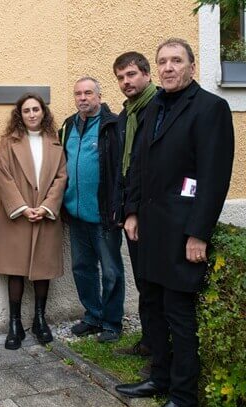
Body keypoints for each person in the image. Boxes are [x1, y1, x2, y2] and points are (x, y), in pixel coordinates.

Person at [115, 38, 234, 407]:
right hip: (148, 231)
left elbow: (214, 177)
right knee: (151, 307)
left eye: (176, 61)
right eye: (163, 61)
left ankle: (183, 401)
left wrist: (198, 232)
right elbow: (138, 168)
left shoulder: (211, 108)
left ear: (192, 66)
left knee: (179, 316)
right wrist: (130, 212)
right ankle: (159, 378)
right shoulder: (153, 108)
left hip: (182, 234)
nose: (168, 68)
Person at [0, 93, 67, 349]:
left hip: (45, 215)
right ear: (20, 115)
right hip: (17, 216)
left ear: (43, 112)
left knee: (42, 269)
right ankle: (15, 324)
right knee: (16, 269)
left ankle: (39, 319)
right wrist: (23, 208)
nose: (32, 114)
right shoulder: (8, 143)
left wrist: (47, 207)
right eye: (26, 110)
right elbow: (4, 177)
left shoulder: (55, 142)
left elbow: (61, 178)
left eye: (36, 109)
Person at [60, 77, 125, 343]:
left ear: (99, 96)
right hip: (76, 214)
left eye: (88, 93)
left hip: (104, 216)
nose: (83, 98)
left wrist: (120, 208)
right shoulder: (68, 126)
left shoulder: (113, 125)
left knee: (111, 271)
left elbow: (122, 170)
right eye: (78, 94)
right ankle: (93, 315)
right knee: (81, 268)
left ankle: (112, 322)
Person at [111, 52, 157, 370]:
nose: (126, 82)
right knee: (143, 279)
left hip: (152, 212)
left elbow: (148, 169)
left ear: (146, 74)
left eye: (131, 75)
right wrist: (123, 210)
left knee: (154, 281)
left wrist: (136, 211)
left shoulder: (158, 109)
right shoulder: (127, 114)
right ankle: (149, 342)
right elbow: (124, 168)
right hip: (132, 212)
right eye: (121, 77)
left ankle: (159, 351)